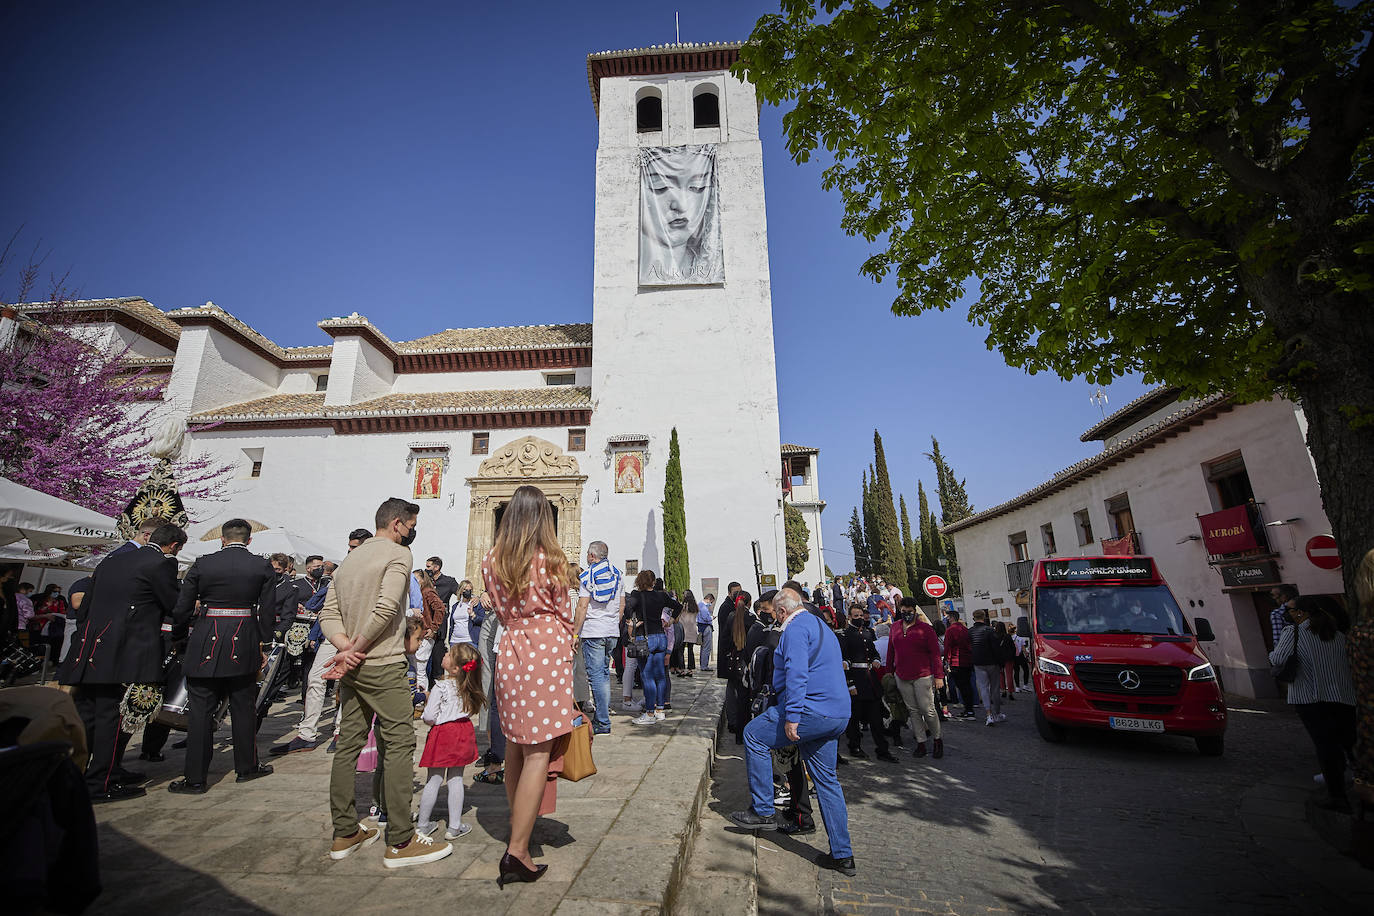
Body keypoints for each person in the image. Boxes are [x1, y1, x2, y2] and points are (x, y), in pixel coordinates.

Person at [321, 498, 453, 868]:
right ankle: (401, 839)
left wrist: (345, 649)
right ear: (397, 524)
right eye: (410, 526)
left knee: (348, 743)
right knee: (398, 743)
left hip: (354, 666)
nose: (411, 533)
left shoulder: (350, 559)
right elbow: (386, 606)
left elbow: (328, 613)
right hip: (381, 662)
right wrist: (358, 649)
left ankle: (345, 829)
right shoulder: (398, 555)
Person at [481, 484, 576, 887]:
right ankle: (518, 850)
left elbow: (497, 605)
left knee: (516, 745)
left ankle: (520, 831)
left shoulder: (491, 560)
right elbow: (566, 612)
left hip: (511, 647)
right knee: (539, 752)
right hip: (546, 650)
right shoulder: (551, 559)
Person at [729, 583, 855, 878]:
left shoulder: (796, 630)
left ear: (783, 611)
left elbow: (797, 673)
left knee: (753, 735)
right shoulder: (820, 625)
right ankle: (843, 855)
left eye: (775, 614)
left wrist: (793, 717)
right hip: (835, 712)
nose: (775, 619)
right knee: (827, 782)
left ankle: (762, 809)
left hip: (809, 710)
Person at [59, 522, 185, 802]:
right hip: (124, 649)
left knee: (87, 713)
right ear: (174, 546)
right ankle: (100, 782)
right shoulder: (161, 563)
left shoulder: (111, 559)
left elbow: (85, 607)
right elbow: (173, 605)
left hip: (91, 646)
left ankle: (82, 771)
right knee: (113, 716)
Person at [165, 518, 276, 794]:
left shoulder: (203, 563)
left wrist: (179, 636)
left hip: (205, 639)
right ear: (249, 541)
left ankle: (195, 778)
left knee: (200, 711)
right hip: (244, 638)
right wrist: (263, 643)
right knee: (243, 708)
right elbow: (267, 610)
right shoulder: (261, 565)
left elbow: (182, 607)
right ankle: (247, 766)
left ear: (222, 539)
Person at [1269, 595, 1357, 812]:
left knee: (1325, 746)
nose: (1287, 614)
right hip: (1343, 697)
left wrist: (1272, 654)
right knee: (1347, 743)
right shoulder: (1338, 635)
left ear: (1301, 613)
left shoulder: (1294, 632)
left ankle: (1337, 795)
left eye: (1290, 610)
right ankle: (1360, 785)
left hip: (1311, 697)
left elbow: (1278, 659)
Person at [415, 642, 485, 840]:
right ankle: (454, 826)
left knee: (433, 779)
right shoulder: (468, 687)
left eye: (449, 654)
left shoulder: (441, 686)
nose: (445, 654)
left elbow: (428, 715)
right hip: (462, 731)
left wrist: (435, 722)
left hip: (442, 733)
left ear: (454, 667)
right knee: (456, 779)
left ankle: (423, 824)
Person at [573, 540, 624, 736]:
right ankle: (602, 718)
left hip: (593, 632)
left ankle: (602, 721)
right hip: (611, 631)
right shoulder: (618, 575)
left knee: (597, 678)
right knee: (603, 675)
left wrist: (575, 633)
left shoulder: (587, 576)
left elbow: (582, 607)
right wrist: (612, 623)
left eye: (588, 554)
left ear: (592, 556)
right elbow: (621, 606)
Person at [838, 601, 895, 762]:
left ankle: (882, 750)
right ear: (849, 617)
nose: (859, 618)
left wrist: (876, 660)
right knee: (855, 717)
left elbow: (874, 652)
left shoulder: (868, 633)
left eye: (861, 616)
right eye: (856, 616)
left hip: (870, 679)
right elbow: (844, 661)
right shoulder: (845, 635)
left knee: (876, 718)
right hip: (856, 679)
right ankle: (854, 746)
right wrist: (850, 684)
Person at [887, 599, 944, 758]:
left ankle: (938, 740)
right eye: (903, 611)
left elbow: (935, 654)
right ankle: (921, 743)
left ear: (915, 611)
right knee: (913, 711)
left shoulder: (926, 629)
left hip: (923, 675)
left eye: (909, 611)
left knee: (928, 710)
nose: (906, 614)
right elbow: (891, 650)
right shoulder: (895, 628)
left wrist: (939, 676)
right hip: (902, 675)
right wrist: (889, 671)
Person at [625, 569, 681, 724]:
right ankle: (660, 709)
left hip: (646, 637)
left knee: (647, 676)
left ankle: (649, 713)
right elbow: (678, 606)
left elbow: (627, 611)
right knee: (660, 675)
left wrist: (634, 622)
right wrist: (671, 621)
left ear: (639, 581)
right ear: (653, 582)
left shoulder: (637, 595)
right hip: (660, 637)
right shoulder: (661, 595)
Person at [721, 589, 755, 742]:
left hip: (733, 661)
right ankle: (746, 729)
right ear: (749, 602)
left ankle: (734, 724)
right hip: (746, 661)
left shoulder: (730, 617)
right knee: (745, 696)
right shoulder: (752, 618)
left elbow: (725, 641)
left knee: (732, 692)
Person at [412, 569, 447, 693]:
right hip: (417, 634)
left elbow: (440, 608)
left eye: (417, 579)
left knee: (420, 670)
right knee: (415, 669)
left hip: (425, 635)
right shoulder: (417, 593)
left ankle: (422, 697)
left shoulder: (427, 591)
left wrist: (434, 628)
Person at [969, 610, 1003, 726]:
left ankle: (988, 715)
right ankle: (997, 713)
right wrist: (1000, 663)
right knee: (995, 688)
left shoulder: (971, 631)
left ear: (974, 618)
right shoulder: (989, 630)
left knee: (983, 689)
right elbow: (996, 648)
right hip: (992, 662)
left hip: (978, 663)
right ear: (984, 617)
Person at [944, 610, 977, 719]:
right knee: (968, 685)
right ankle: (970, 709)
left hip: (956, 661)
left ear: (952, 618)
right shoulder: (964, 629)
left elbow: (948, 647)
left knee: (962, 686)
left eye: (948, 617)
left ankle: (968, 710)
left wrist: (947, 661)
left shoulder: (950, 630)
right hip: (967, 660)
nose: (948, 619)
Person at [679, 588, 699, 674]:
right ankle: (690, 670)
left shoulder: (682, 606)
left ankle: (682, 669)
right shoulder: (695, 606)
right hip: (692, 630)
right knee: (690, 651)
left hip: (683, 630)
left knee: (681, 651)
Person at [697, 592, 715, 671]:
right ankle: (704, 666)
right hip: (706, 627)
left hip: (701, 627)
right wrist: (711, 618)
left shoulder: (699, 605)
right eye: (711, 602)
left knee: (703, 647)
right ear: (709, 599)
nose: (710, 604)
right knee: (706, 647)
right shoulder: (703, 606)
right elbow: (705, 617)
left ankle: (703, 664)